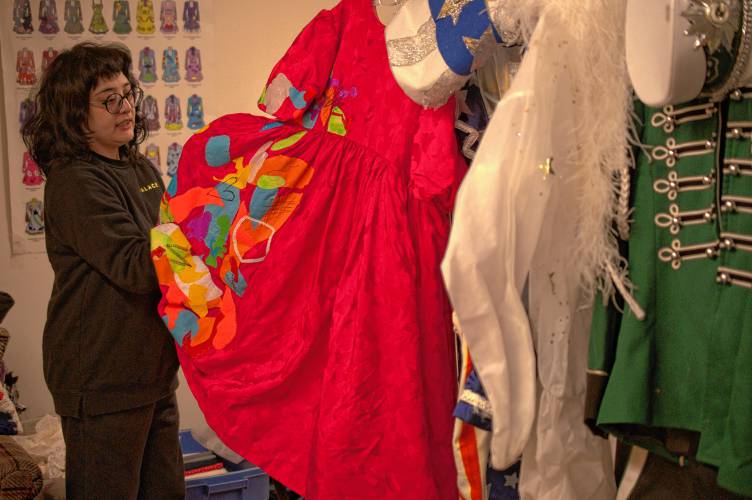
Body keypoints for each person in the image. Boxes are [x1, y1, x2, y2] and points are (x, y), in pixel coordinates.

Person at [22, 42, 184, 499]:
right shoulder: (75, 181)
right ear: (76, 115)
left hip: (152, 373)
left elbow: (172, 240)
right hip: (101, 380)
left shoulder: (139, 166)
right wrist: (198, 228)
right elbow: (138, 266)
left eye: (127, 93)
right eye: (108, 100)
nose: (126, 107)